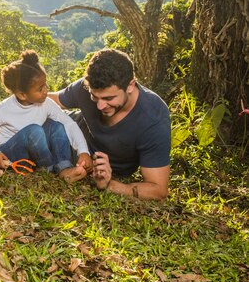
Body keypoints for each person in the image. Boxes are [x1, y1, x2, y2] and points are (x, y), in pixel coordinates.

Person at [48, 48, 171, 200]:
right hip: (68, 134)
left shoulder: (153, 118)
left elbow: (158, 190)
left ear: (130, 86)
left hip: (101, 168)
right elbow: (52, 100)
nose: (100, 106)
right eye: (95, 97)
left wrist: (110, 185)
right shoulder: (85, 88)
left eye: (109, 98)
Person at [0, 50, 92, 182]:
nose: (46, 90)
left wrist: (83, 151)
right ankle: (50, 169)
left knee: (57, 125)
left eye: (45, 85)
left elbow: (68, 124)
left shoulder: (47, 103)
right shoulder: (3, 109)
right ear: (22, 94)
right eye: (40, 89)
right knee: (33, 130)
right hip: (9, 154)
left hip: (34, 153)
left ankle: (64, 167)